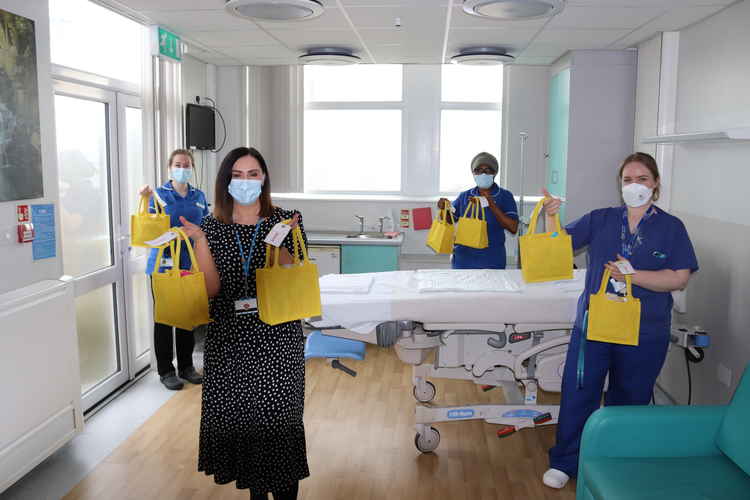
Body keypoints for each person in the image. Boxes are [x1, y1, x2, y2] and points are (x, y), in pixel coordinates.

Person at [540, 152, 699, 489]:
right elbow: (561, 246)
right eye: (628, 180)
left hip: (645, 329)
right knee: (579, 391)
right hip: (595, 324)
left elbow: (679, 277)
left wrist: (635, 275)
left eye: (642, 179)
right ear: (620, 185)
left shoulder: (671, 228)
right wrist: (552, 218)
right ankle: (566, 461)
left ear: (655, 184)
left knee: (629, 398)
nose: (634, 185)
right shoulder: (601, 219)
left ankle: (613, 460)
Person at [179, 146, 308, 500]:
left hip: (277, 337)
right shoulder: (211, 226)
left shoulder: (284, 219)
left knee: (279, 426)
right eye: (238, 174)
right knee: (243, 428)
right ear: (226, 181)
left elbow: (290, 276)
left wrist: (282, 236)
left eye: (253, 174)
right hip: (230, 340)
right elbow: (212, 289)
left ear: (264, 179)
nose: (246, 181)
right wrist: (201, 242)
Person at [140, 149, 208, 391]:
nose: (183, 168)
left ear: (192, 168)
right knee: (166, 318)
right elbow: (149, 230)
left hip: (190, 264)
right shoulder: (158, 196)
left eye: (187, 164)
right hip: (163, 265)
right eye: (178, 164)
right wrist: (147, 200)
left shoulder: (199, 195)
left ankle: (187, 367)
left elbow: (205, 227)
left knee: (187, 318)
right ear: (170, 167)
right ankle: (166, 370)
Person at [438, 152, 519, 269]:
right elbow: (450, 220)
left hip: (491, 261)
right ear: (473, 174)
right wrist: (444, 208)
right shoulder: (465, 196)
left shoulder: (504, 196)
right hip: (463, 260)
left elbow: (513, 228)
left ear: (494, 173)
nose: (483, 174)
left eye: (487, 170)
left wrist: (491, 204)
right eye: (478, 170)